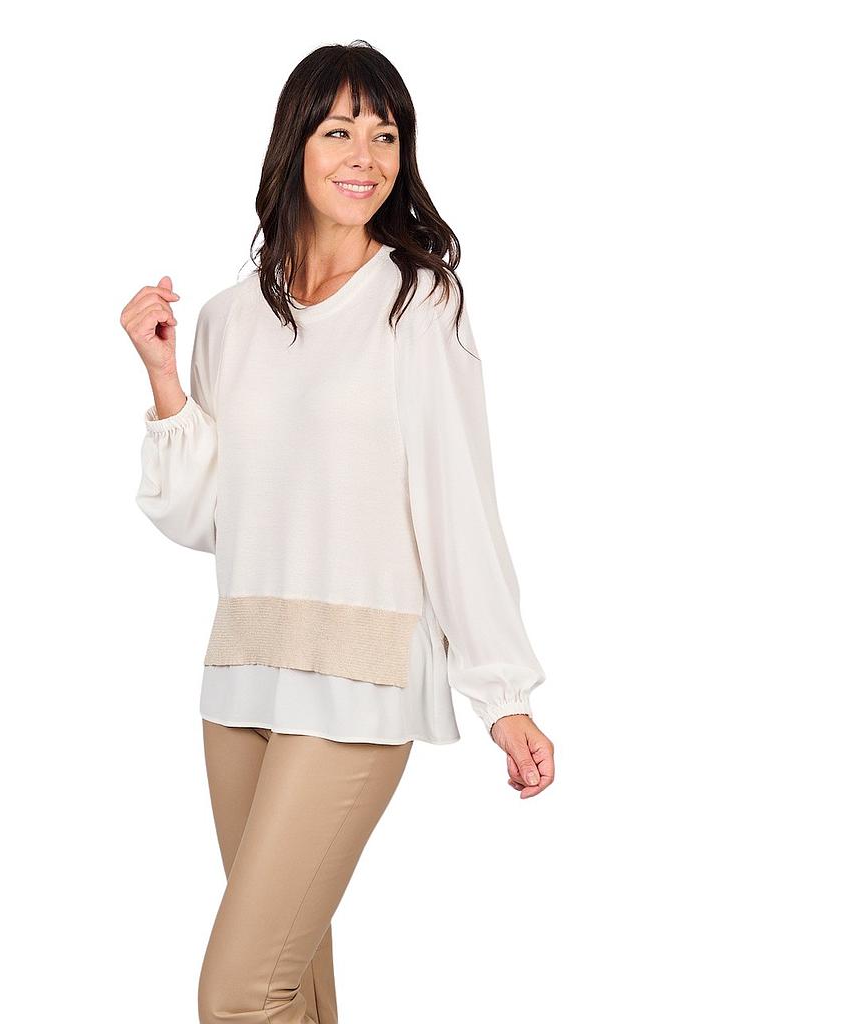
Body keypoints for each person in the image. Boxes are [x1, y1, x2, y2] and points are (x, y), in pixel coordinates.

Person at [121, 40, 555, 1024]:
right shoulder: (228, 319)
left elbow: (457, 504)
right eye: (340, 130)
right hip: (242, 675)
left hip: (359, 679)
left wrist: (503, 692)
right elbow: (206, 518)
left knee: (239, 994)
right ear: (295, 146)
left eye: (386, 135)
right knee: (293, 988)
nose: (366, 155)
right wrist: (164, 383)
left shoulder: (416, 302)